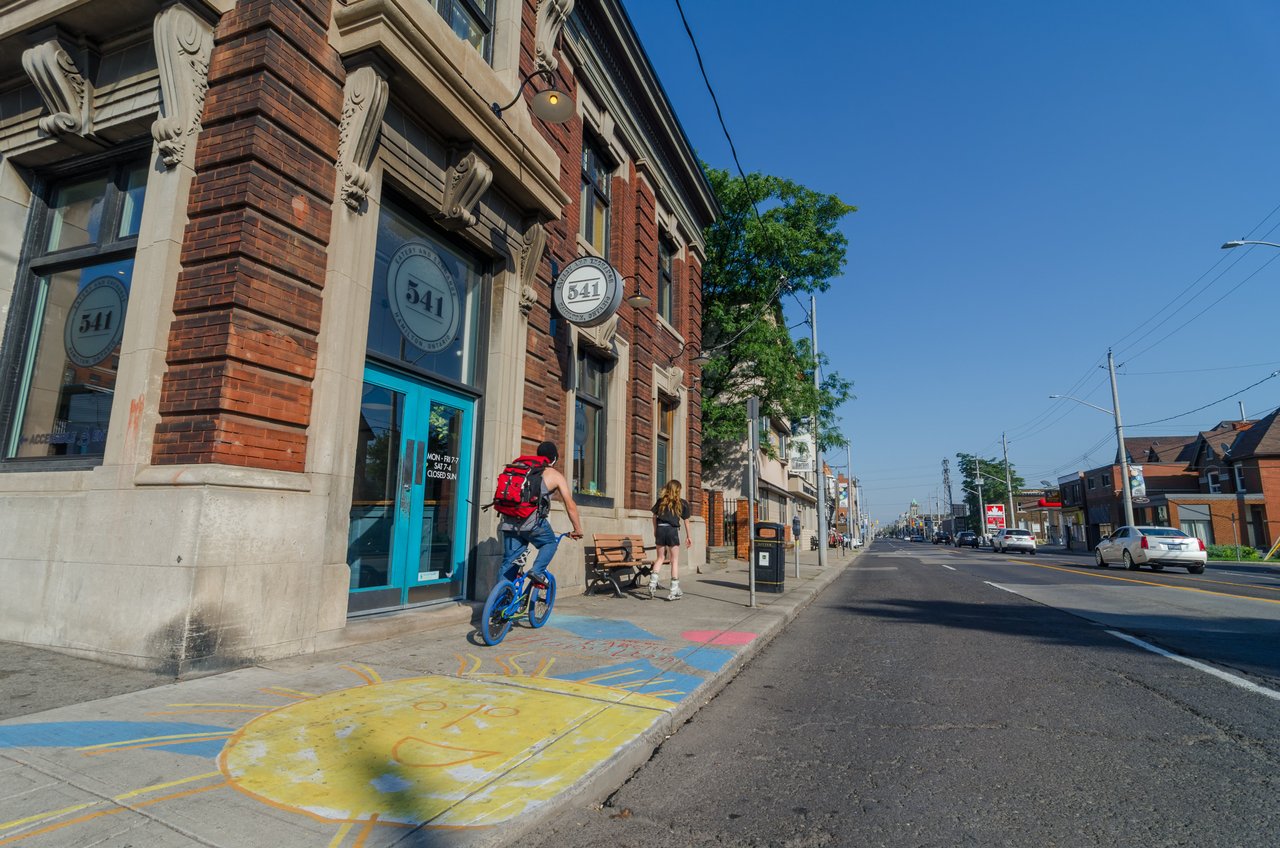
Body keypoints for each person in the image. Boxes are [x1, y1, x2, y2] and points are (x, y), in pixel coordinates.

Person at [499, 441, 583, 585]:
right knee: (550, 542)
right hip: (532, 523)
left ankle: (500, 602)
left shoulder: (521, 468)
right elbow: (570, 505)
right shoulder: (554, 475)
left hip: (509, 520)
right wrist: (577, 529)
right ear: (554, 459)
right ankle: (536, 571)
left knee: (509, 563)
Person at [649, 479, 692, 600]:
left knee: (660, 558)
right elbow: (686, 521)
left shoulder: (660, 501)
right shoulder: (682, 503)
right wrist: (689, 536)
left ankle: (652, 584)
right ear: (678, 490)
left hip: (660, 530)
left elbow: (654, 517)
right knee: (674, 560)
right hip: (672, 531)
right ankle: (673, 590)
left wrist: (655, 529)